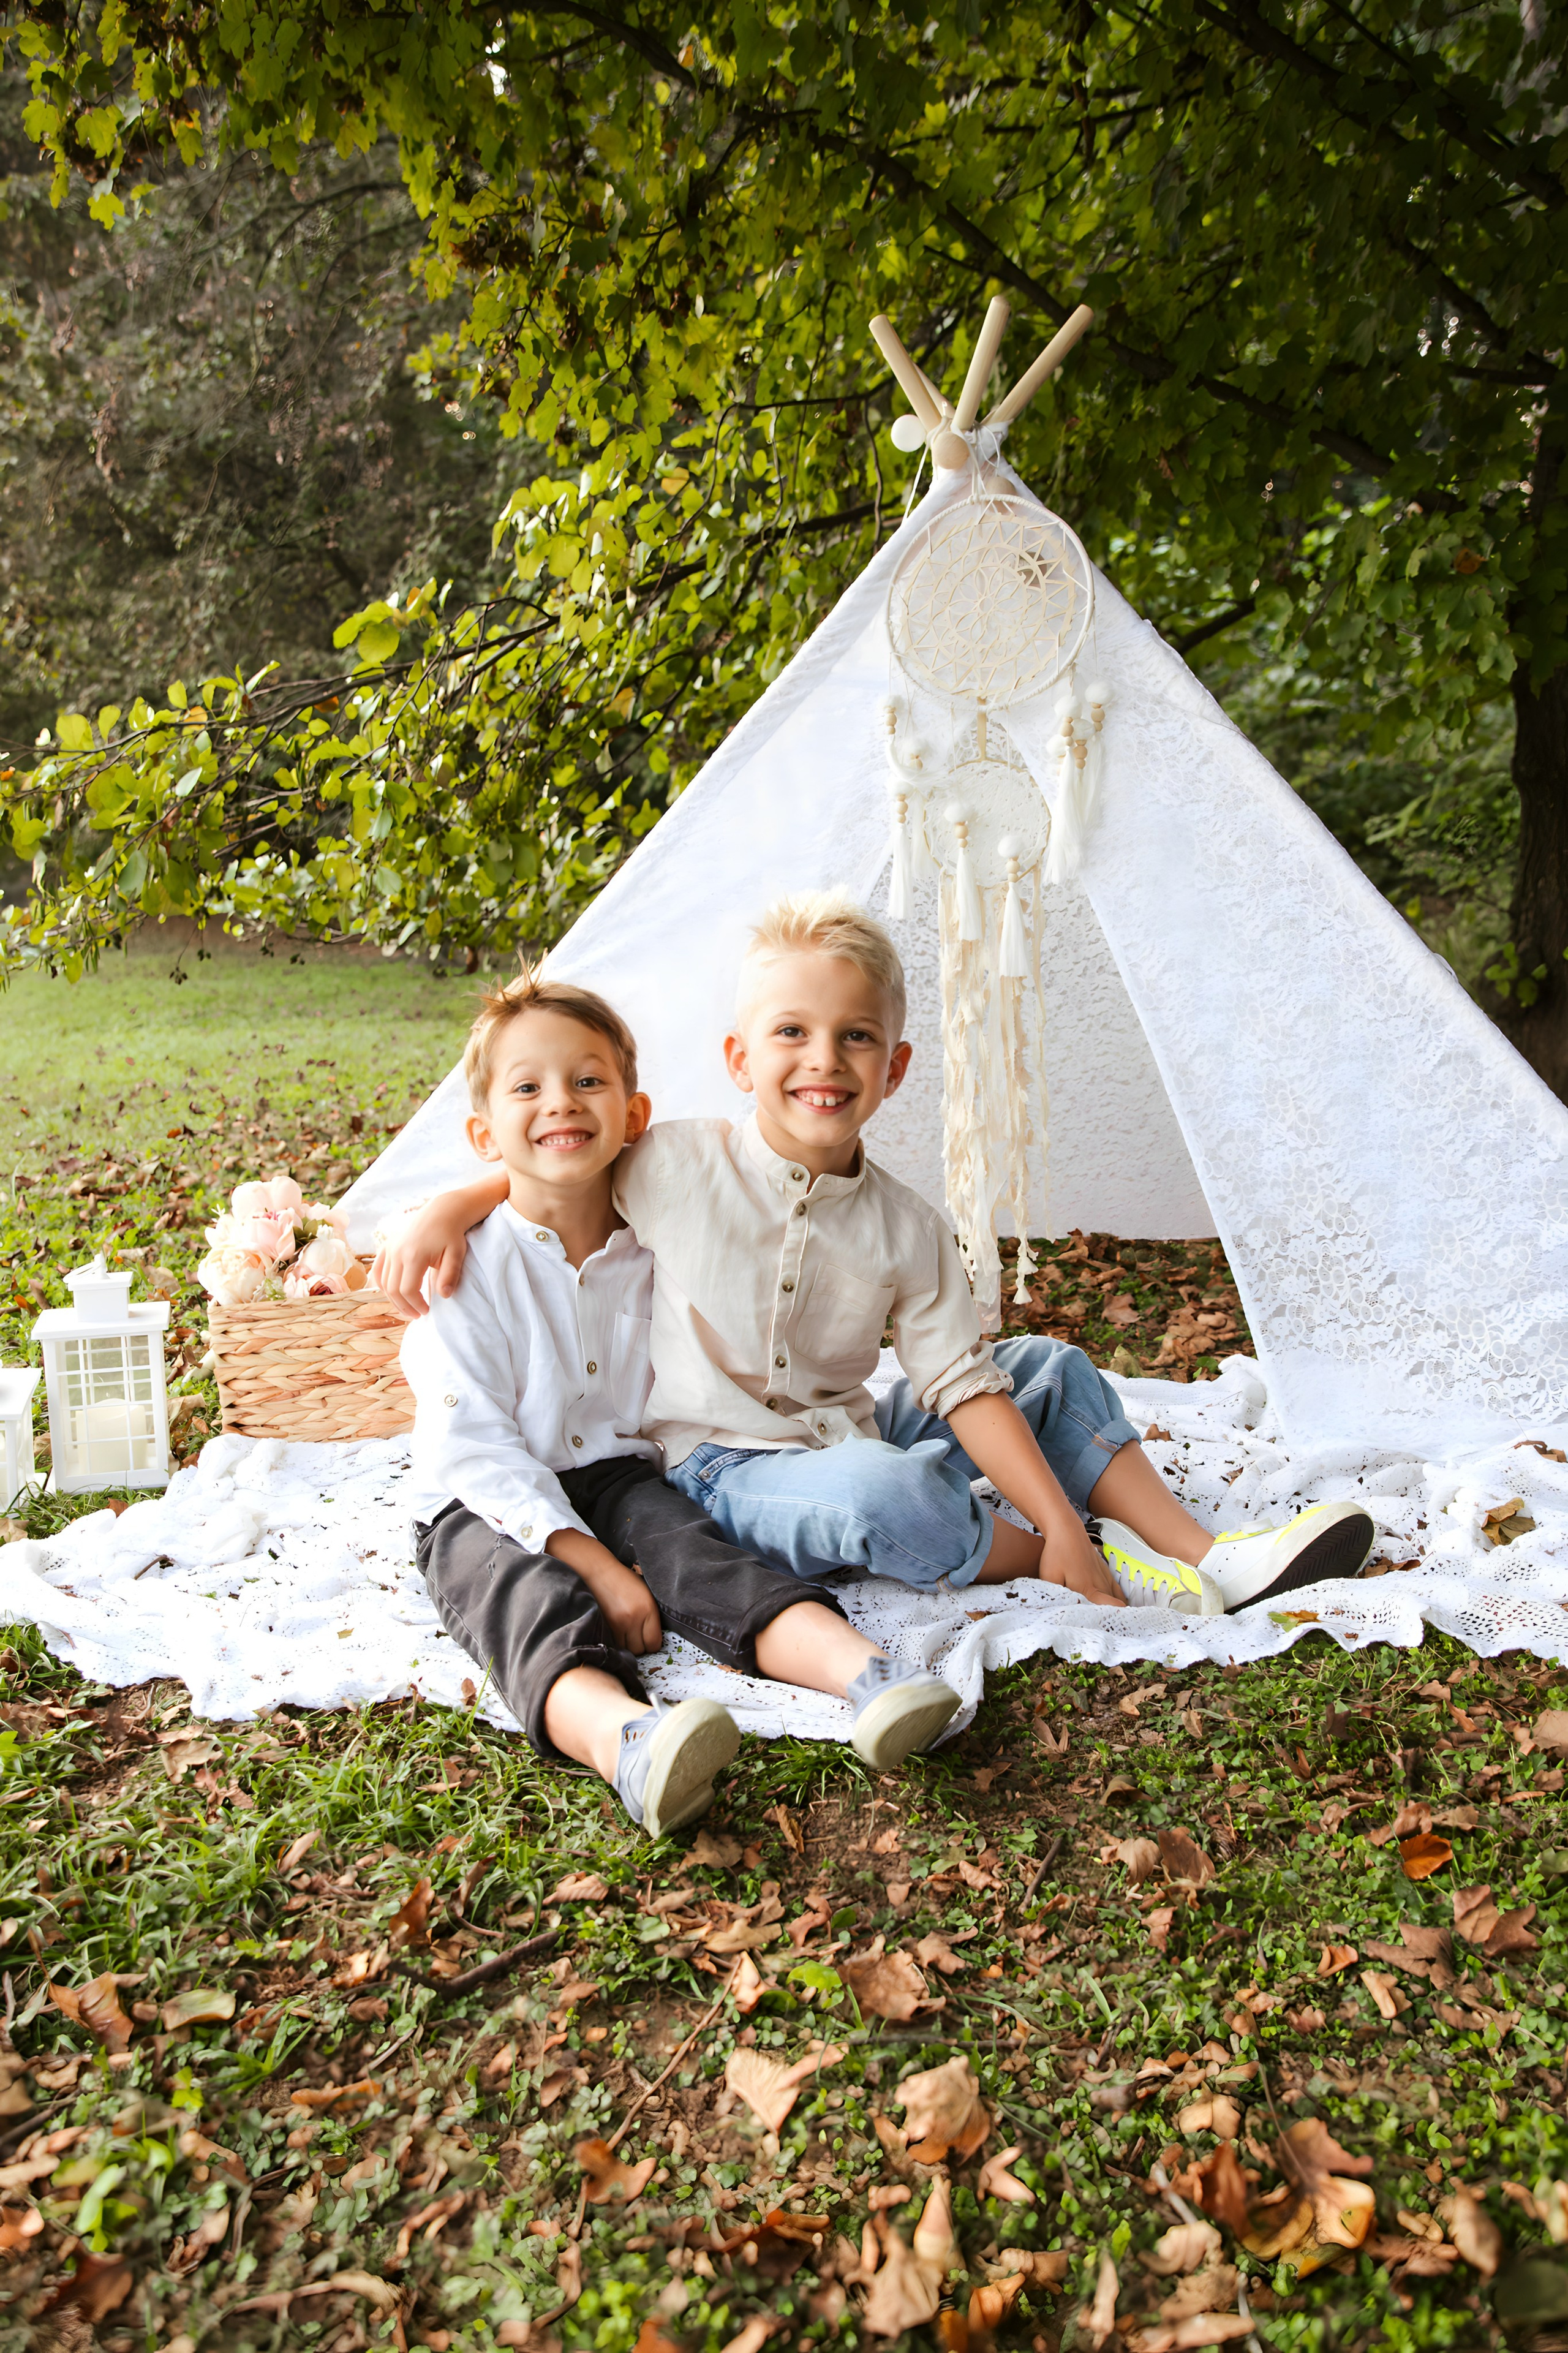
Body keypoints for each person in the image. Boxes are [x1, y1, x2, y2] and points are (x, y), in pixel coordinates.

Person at [383, 894, 1373, 1619]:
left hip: (842, 1423)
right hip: (719, 1468)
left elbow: (960, 1384)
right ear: (741, 1061)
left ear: (893, 1068)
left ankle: (1204, 1554)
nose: (824, 1059)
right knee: (879, 1490)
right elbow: (559, 1162)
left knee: (1047, 1369)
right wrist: (448, 1205)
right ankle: (1044, 1553)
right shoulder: (677, 1163)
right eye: (792, 1033)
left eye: (856, 1036)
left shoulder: (907, 1226)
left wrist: (1051, 1500)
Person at [400, 970, 963, 1842]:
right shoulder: (465, 1269)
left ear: (633, 1114)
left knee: (700, 1552)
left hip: (622, 1475)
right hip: (481, 1499)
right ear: (485, 1130)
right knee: (519, 1594)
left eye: (589, 1079)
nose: (562, 1102)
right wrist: (592, 1563)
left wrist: (625, 1548)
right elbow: (471, 1450)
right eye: (528, 1087)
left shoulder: (660, 1235)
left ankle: (870, 1678)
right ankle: (628, 1741)